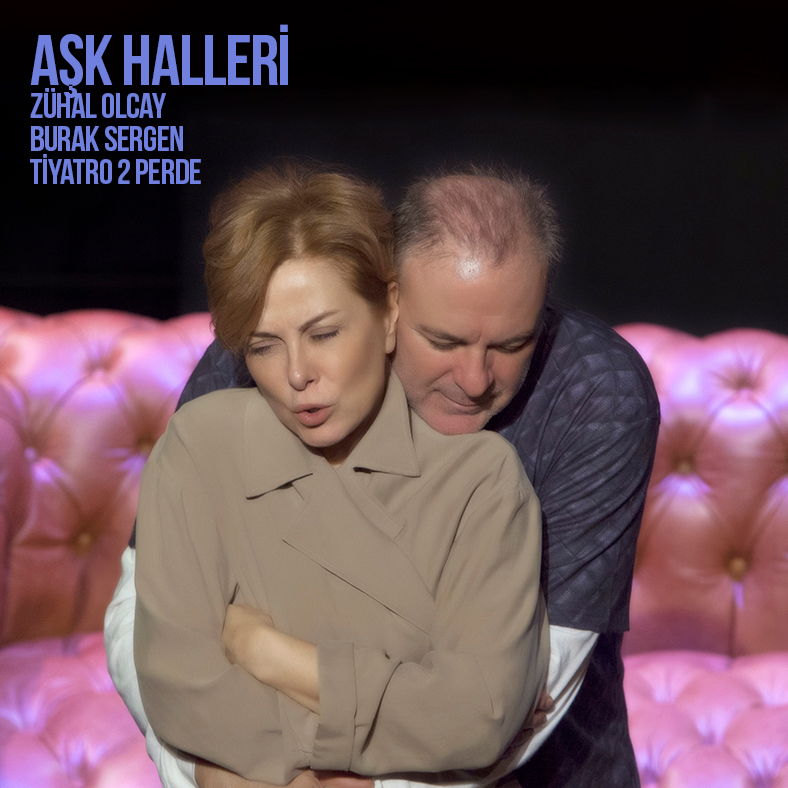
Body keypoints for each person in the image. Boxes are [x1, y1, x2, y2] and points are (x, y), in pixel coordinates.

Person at [106, 164, 660, 788]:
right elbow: (149, 635)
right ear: (393, 300)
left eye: (512, 346)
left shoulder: (592, 394)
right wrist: (226, 770)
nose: (475, 380)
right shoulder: (260, 351)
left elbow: (504, 711)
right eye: (442, 340)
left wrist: (270, 666)